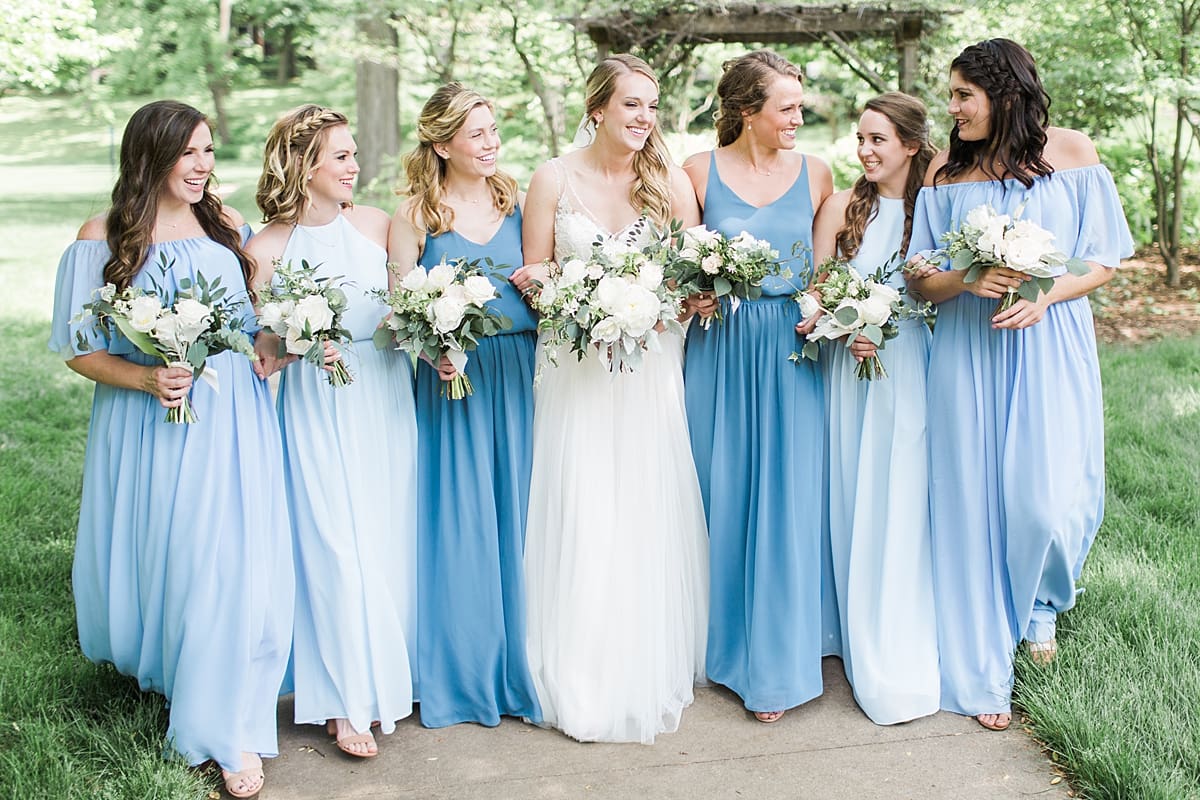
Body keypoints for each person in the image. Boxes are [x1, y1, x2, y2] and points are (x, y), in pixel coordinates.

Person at [48, 100, 293, 798]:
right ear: (150, 156)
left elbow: (252, 331)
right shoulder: (103, 237)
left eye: (209, 152)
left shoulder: (228, 226)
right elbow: (80, 351)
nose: (203, 166)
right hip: (156, 423)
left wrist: (286, 343)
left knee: (235, 560)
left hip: (236, 421)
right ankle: (196, 691)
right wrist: (148, 375)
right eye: (188, 153)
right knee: (183, 560)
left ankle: (224, 721)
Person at [906, 38, 1132, 731]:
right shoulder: (947, 171)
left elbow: (1103, 260)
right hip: (969, 350)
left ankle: (1042, 598)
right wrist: (967, 279)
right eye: (950, 95)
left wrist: (1047, 294)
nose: (951, 109)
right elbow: (919, 277)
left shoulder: (1073, 153)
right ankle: (984, 629)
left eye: (962, 95)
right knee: (973, 495)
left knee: (1048, 497)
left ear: (1004, 93)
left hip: (1049, 341)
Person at [510, 53, 708, 744]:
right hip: (576, 370)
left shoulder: (670, 183)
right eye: (632, 105)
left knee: (643, 502)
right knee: (583, 498)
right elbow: (532, 275)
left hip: (651, 367)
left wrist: (659, 306)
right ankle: (575, 663)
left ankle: (642, 658)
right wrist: (580, 304)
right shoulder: (552, 179)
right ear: (597, 107)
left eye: (652, 106)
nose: (645, 118)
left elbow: (693, 276)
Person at [248, 105, 417, 758]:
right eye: (341, 156)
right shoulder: (265, 250)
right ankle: (340, 702)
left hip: (382, 402)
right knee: (334, 549)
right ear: (304, 166)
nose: (354, 166)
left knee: (381, 542)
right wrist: (288, 344)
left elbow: (406, 315)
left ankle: (383, 683)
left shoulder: (377, 227)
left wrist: (441, 339)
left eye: (352, 154)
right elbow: (257, 357)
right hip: (315, 408)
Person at [681, 50, 833, 724]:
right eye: (787, 107)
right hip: (720, 349)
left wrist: (823, 308)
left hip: (791, 351)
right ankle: (721, 652)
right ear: (747, 111)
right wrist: (696, 295)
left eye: (800, 106)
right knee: (720, 494)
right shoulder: (696, 172)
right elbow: (681, 263)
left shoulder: (821, 174)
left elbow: (829, 272)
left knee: (787, 500)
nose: (798, 117)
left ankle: (777, 663)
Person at [388, 83, 541, 729]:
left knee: (523, 515)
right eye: (477, 133)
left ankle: (523, 663)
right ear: (442, 142)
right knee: (459, 519)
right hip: (452, 381)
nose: (492, 142)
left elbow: (546, 283)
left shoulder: (520, 201)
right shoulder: (416, 213)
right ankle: (459, 668)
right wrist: (433, 351)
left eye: (494, 129)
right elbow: (398, 309)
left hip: (520, 374)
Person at [809, 92, 939, 725]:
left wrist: (892, 325)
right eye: (859, 139)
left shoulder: (935, 210)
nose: (863, 151)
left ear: (912, 145)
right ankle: (847, 623)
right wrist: (840, 322)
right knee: (852, 490)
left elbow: (947, 294)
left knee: (903, 492)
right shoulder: (841, 207)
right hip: (849, 372)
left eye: (877, 140)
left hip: (910, 370)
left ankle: (901, 623)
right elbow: (816, 290)